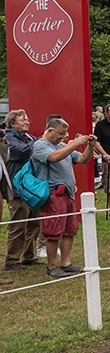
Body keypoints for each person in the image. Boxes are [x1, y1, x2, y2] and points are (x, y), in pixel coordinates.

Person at [32, 118, 95, 277]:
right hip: (53, 193)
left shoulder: (62, 146)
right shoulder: (40, 145)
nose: (63, 136)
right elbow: (53, 157)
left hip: (67, 193)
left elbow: (81, 159)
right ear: (49, 130)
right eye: (60, 133)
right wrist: (74, 143)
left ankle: (65, 263)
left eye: (65, 133)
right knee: (53, 231)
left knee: (69, 230)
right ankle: (52, 266)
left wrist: (90, 147)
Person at [3, 110, 41, 272]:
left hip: (31, 187)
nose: (27, 122)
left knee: (35, 221)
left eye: (27, 119)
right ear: (12, 123)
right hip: (17, 188)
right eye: (23, 119)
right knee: (19, 223)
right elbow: (20, 151)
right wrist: (39, 144)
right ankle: (11, 260)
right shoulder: (8, 137)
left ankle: (29, 255)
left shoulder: (29, 138)